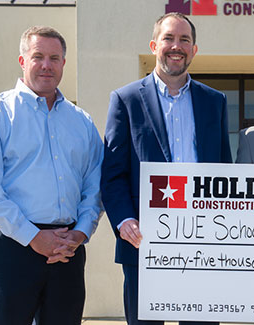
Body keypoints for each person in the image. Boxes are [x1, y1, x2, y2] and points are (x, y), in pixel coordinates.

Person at [0, 26, 103, 324]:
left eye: (54, 58)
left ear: (64, 63)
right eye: (37, 56)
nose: (46, 65)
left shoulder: (82, 122)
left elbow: (95, 183)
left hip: (68, 249)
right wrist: (34, 237)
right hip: (11, 246)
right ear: (22, 60)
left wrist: (81, 231)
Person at [100, 12, 231, 325]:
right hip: (143, 241)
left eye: (184, 39)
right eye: (169, 38)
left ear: (194, 49)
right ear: (154, 45)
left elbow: (224, 168)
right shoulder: (126, 99)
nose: (177, 46)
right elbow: (113, 173)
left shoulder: (215, 101)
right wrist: (123, 220)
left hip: (202, 243)